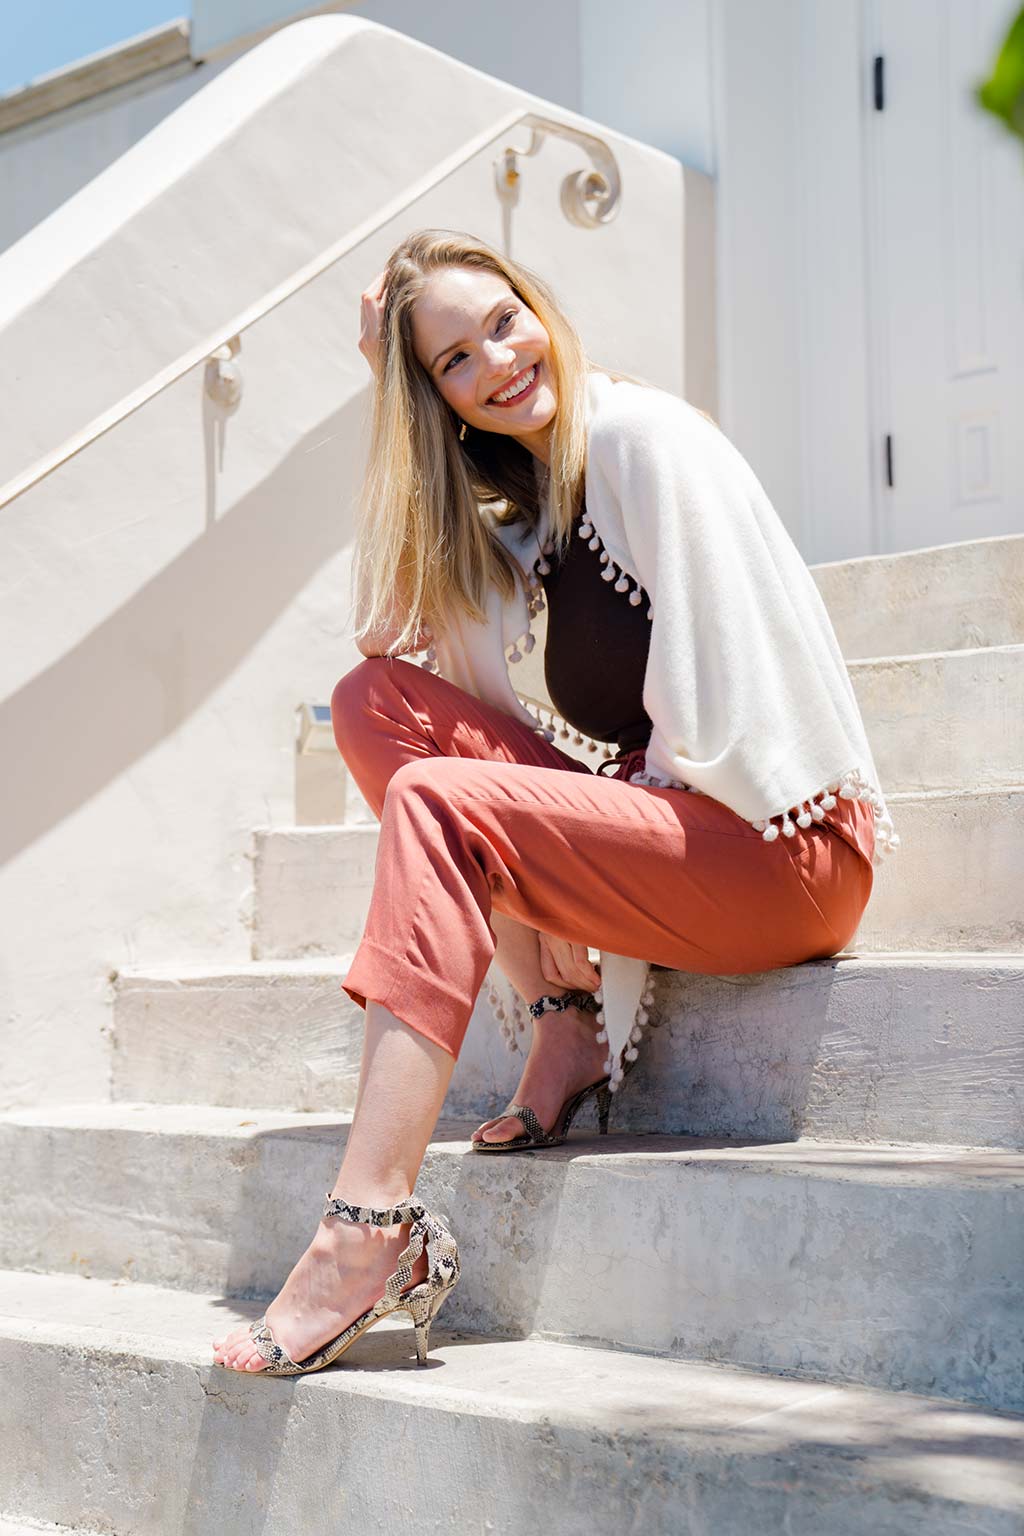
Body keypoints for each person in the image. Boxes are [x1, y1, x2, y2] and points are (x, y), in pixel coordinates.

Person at [212, 228, 898, 1377]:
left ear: (539, 304)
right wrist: (391, 380)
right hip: (684, 826)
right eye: (453, 363)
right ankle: (564, 1027)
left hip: (785, 847)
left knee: (439, 804)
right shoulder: (536, 498)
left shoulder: (641, 440)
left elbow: (731, 723)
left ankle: (365, 1230)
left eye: (502, 321)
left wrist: (589, 843)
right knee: (374, 703)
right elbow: (413, 629)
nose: (497, 361)